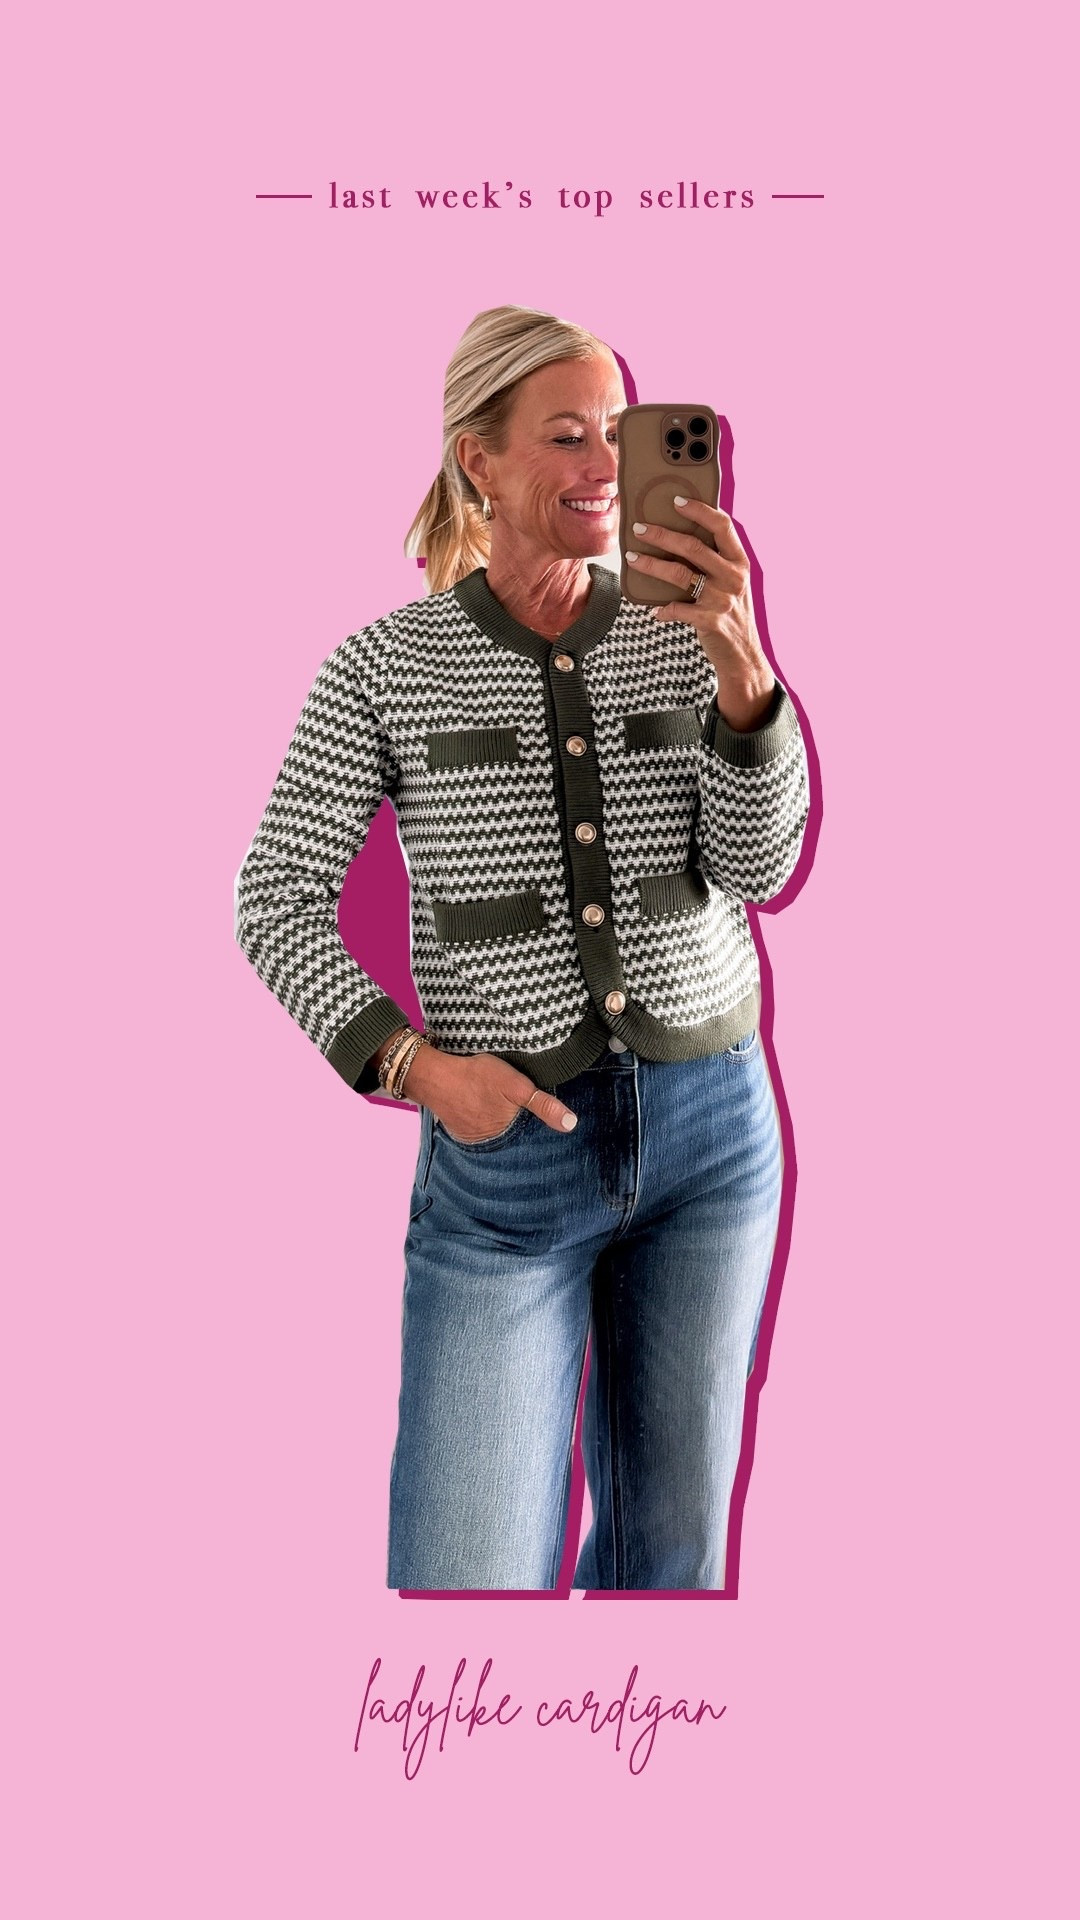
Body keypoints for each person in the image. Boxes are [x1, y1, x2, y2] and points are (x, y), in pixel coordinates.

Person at [234, 304, 811, 1592]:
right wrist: (413, 1068)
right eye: (567, 435)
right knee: (466, 1574)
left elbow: (760, 870)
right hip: (504, 1173)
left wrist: (741, 666)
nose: (606, 463)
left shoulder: (683, 632)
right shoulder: (384, 668)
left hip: (714, 1140)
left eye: (620, 432)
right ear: (477, 460)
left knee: (670, 1569)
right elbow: (276, 896)